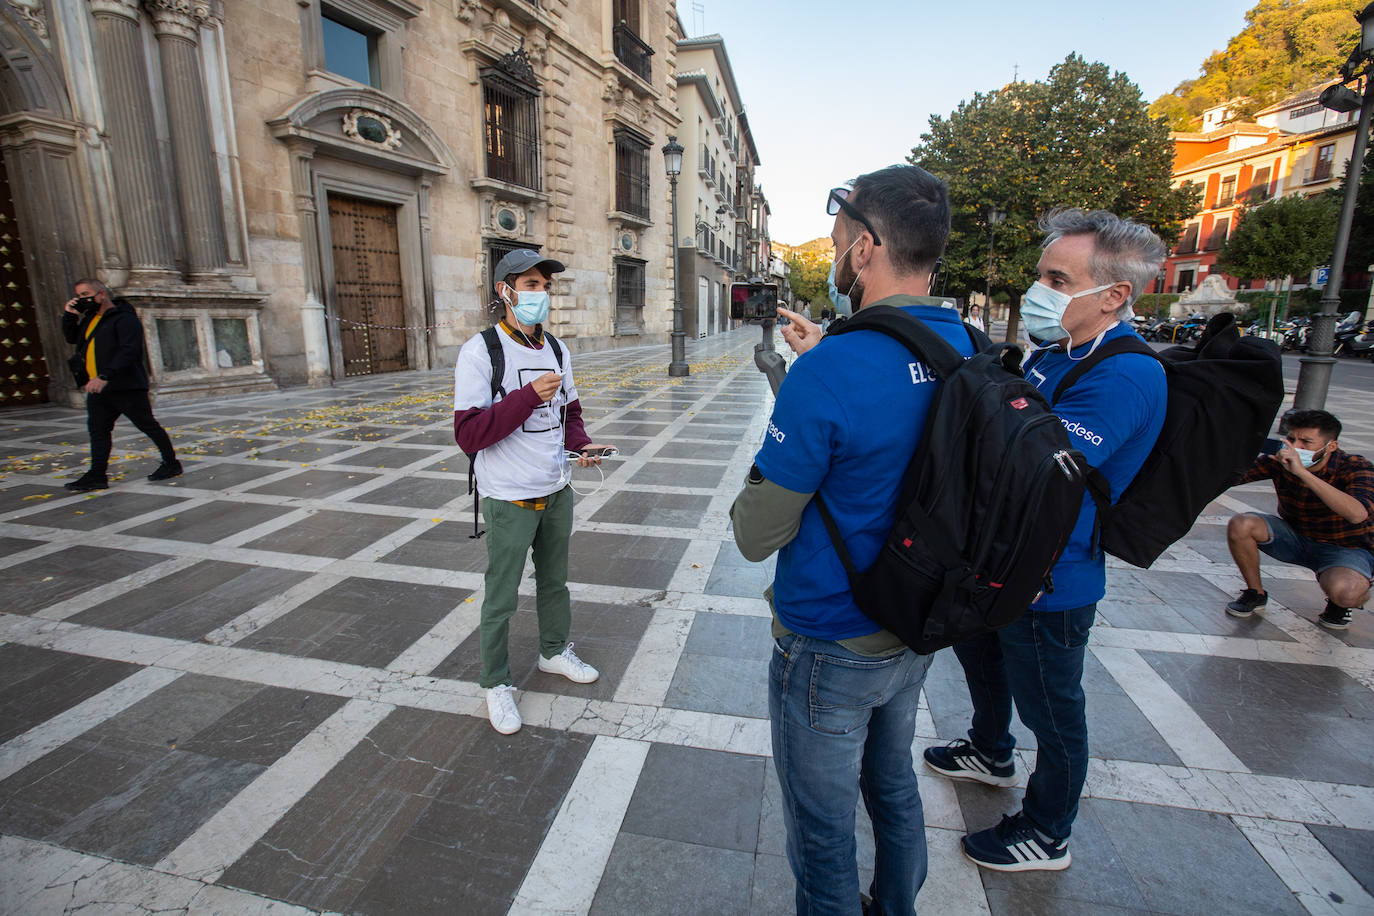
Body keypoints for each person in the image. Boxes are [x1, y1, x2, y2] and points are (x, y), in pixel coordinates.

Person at [731, 164, 971, 913]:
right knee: (893, 783)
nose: (835, 256)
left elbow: (756, 532)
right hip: (916, 623)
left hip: (831, 639)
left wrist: (807, 384)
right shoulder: (965, 347)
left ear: (864, 248)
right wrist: (820, 363)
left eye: (839, 241)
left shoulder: (834, 368)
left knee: (822, 826)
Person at [922, 209, 1168, 872]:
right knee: (984, 660)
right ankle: (989, 747)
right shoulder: (1060, 352)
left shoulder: (1128, 374)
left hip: (1051, 576)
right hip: (998, 557)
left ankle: (1047, 829)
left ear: (1114, 294)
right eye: (1041, 275)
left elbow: (1036, 457)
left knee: (1054, 710)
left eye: (1057, 278)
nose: (1039, 290)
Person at [453, 249, 613, 735]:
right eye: (529, 286)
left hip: (555, 489)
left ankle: (553, 653)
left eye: (544, 287)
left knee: (555, 582)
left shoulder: (558, 350)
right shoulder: (481, 352)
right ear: (505, 292)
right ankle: (495, 682)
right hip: (508, 497)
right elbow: (469, 435)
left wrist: (583, 446)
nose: (539, 295)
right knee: (500, 596)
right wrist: (526, 397)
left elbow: (571, 415)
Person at [1224, 408, 1372, 630]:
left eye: (1306, 442)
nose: (1296, 447)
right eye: (1292, 439)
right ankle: (1255, 593)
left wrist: (1303, 472)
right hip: (1296, 537)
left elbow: (1357, 514)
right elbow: (1231, 477)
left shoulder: (1356, 467)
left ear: (1331, 446)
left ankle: (1340, 603)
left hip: (1345, 547)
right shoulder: (1280, 461)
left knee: (1346, 593)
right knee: (1242, 524)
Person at [61, 279, 180, 492]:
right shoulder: (90, 319)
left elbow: (129, 351)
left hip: (126, 386)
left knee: (147, 425)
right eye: (78, 295)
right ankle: (97, 475)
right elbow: (72, 338)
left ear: (101, 294)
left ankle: (171, 463)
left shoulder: (125, 319)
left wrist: (106, 375)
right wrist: (70, 315)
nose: (82, 299)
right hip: (98, 388)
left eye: (86, 294)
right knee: (98, 431)